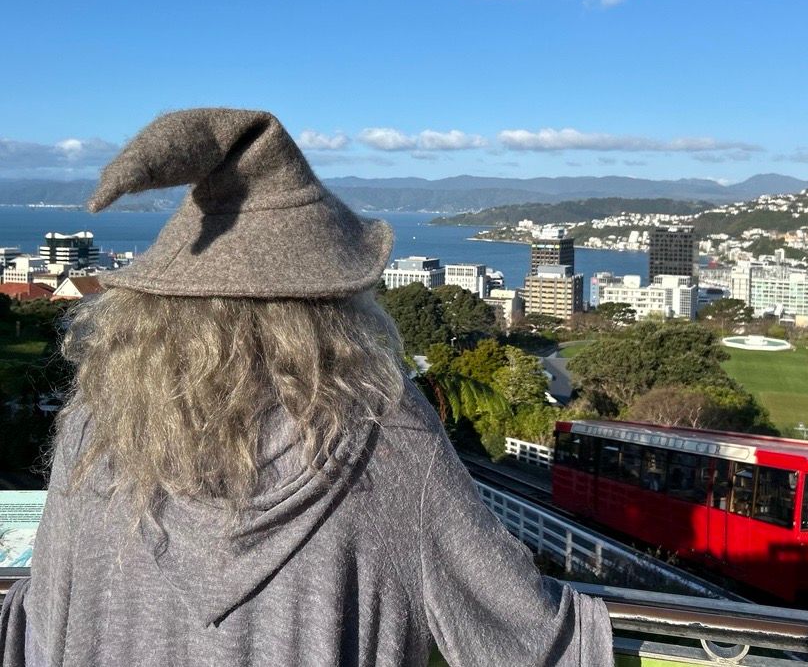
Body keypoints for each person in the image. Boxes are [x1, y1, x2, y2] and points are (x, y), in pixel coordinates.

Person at [0, 109, 613, 667]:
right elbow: (527, 632)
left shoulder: (96, 421)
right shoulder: (382, 430)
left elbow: (42, 620)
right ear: (333, 301)